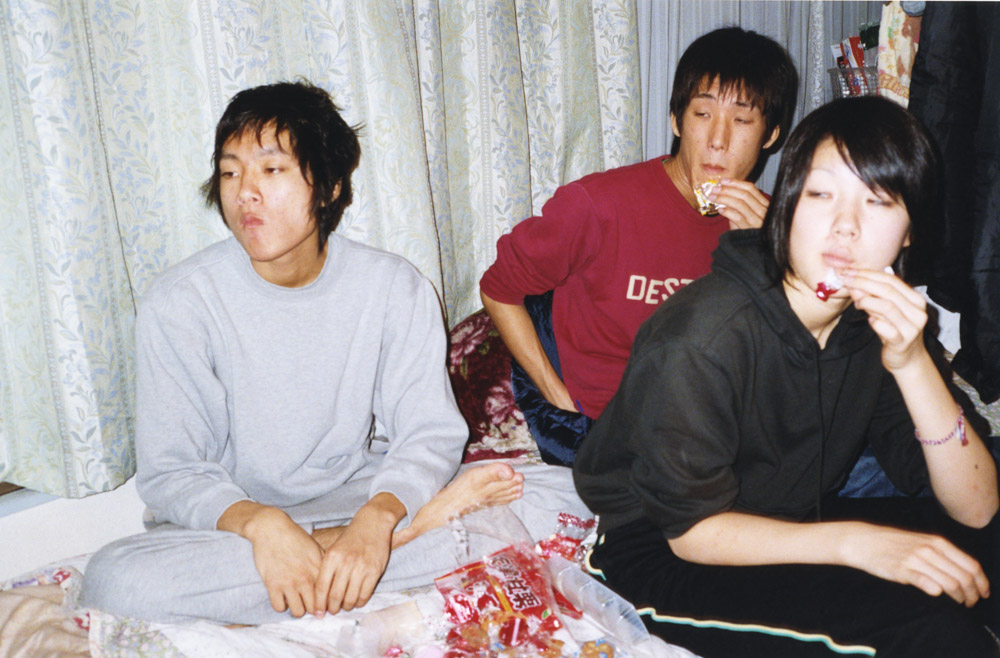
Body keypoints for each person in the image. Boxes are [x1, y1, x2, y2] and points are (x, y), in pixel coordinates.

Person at [79, 81, 541, 625]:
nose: (244, 193)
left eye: (270, 171)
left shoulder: (394, 287)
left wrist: (379, 518)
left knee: (549, 497)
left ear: (329, 186)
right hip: (235, 528)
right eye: (230, 173)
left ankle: (357, 551)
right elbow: (172, 470)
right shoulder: (180, 303)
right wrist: (263, 526)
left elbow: (429, 432)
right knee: (117, 581)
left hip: (361, 500)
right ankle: (401, 543)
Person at [573, 96, 1000, 657]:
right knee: (929, 631)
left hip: (787, 513)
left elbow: (976, 505)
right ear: (788, 209)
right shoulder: (703, 336)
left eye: (877, 201)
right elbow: (692, 531)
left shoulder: (870, 325)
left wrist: (914, 361)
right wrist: (855, 544)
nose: (844, 228)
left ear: (909, 233)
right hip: (659, 550)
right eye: (821, 195)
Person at [479, 27, 798, 466]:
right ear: (675, 120)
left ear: (770, 135)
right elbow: (498, 288)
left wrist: (770, 256)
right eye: (702, 114)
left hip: (713, 419)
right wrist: (555, 396)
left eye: (742, 121)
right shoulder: (597, 204)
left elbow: (790, 352)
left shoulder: (772, 223)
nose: (718, 139)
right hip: (607, 427)